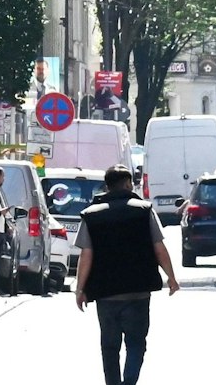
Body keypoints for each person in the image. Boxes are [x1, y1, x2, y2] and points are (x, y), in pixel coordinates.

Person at [73, 165, 179, 385]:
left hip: (105, 292)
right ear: (129, 183)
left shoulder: (92, 216)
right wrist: (171, 277)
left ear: (107, 186)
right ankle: (129, 382)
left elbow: (86, 255)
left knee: (109, 346)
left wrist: (80, 288)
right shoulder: (144, 210)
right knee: (136, 343)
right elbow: (158, 248)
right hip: (138, 291)